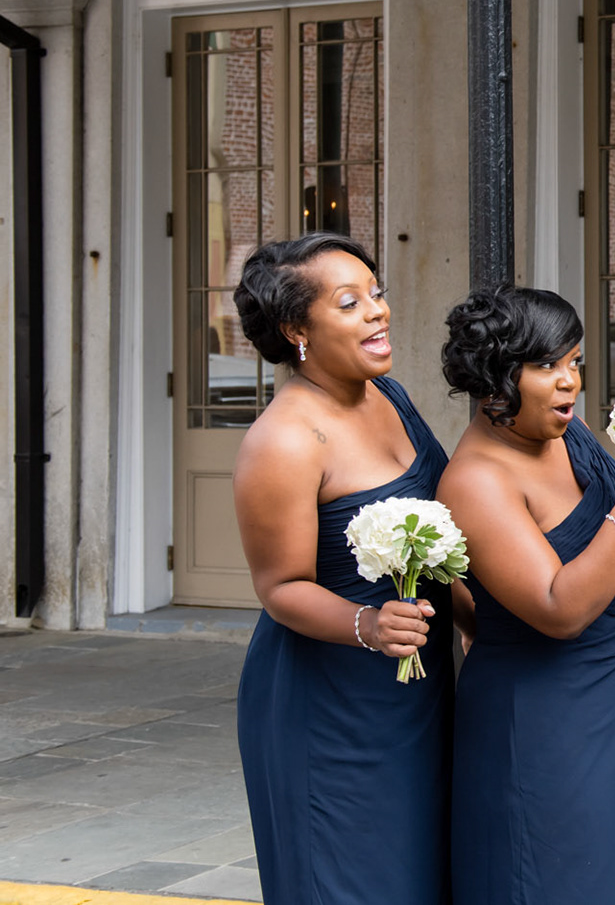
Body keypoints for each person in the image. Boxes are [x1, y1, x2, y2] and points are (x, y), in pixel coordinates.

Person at [435, 286, 615, 905]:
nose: (568, 383)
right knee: (553, 879)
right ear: (496, 375)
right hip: (550, 724)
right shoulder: (476, 480)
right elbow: (559, 609)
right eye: (545, 366)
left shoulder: (562, 435)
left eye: (574, 362)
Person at [231, 233, 455, 905]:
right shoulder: (285, 439)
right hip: (329, 706)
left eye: (377, 293)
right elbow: (280, 588)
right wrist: (368, 621)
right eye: (351, 302)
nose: (378, 312)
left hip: (416, 690)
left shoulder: (390, 395)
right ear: (296, 328)